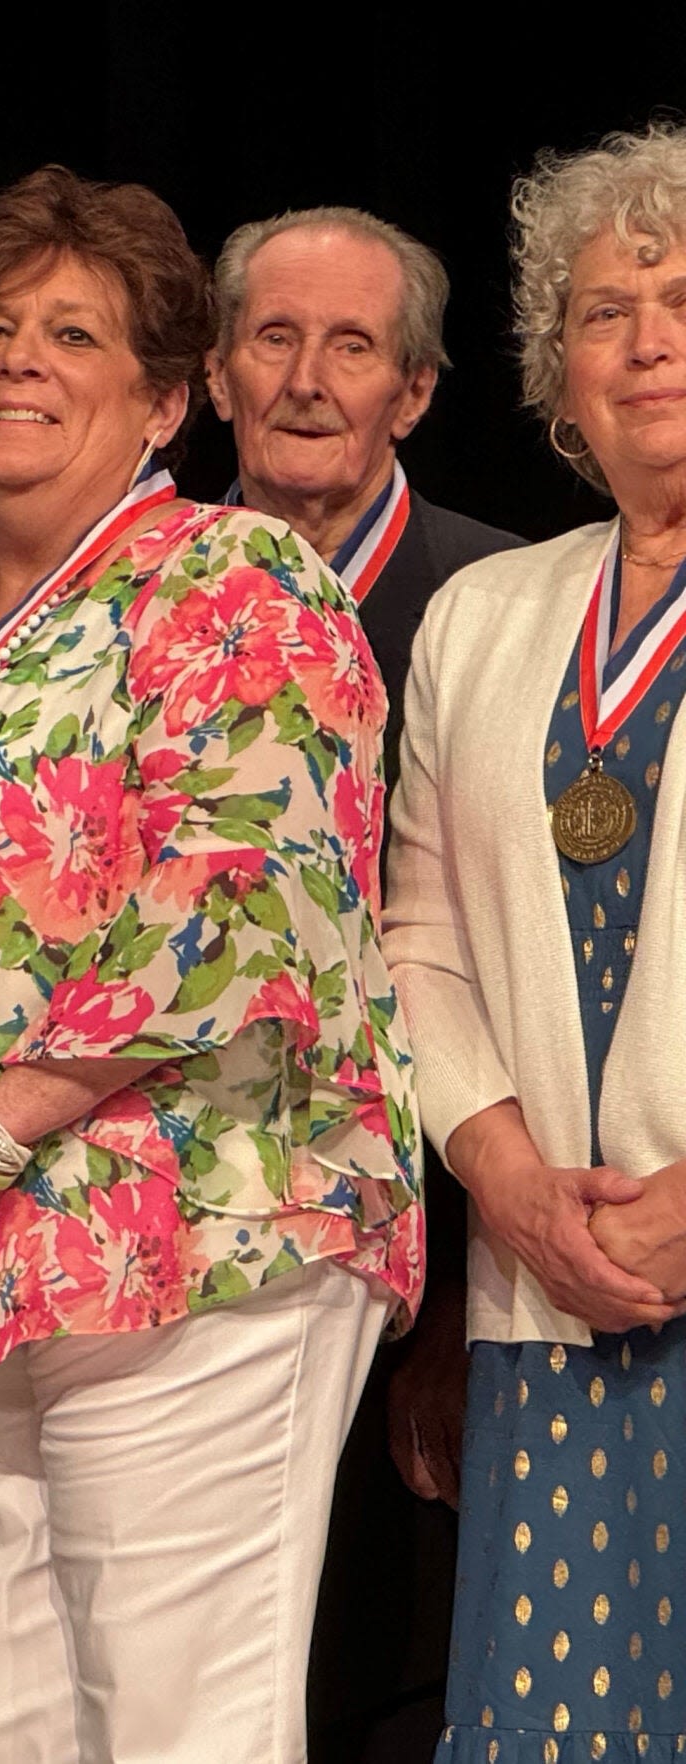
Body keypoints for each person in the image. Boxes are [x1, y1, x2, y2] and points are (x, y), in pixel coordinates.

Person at [0, 166, 421, 1763]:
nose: (17, 360)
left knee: (176, 1726)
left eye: (73, 335)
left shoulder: (238, 582)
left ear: (160, 403)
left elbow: (240, 900)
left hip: (193, 1236)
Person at [206, 204, 524, 1763]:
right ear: (211, 375)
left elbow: (520, 973)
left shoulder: (508, 609)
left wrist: (471, 1285)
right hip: (183, 1264)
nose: (309, 379)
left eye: (354, 346)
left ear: (415, 390)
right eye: (274, 338)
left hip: (442, 1277)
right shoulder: (134, 598)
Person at [385, 122, 686, 1764]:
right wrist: (501, 1178)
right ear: (556, 373)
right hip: (548, 1302)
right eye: (604, 308)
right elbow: (416, 931)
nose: (649, 342)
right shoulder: (488, 614)